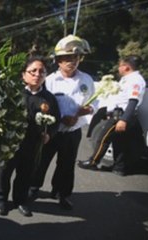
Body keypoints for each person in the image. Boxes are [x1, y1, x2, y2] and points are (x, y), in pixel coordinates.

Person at [29, 35, 96, 210]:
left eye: (75, 58)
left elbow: (94, 102)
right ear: (58, 61)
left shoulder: (87, 80)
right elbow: (41, 104)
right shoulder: (49, 80)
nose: (71, 62)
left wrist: (87, 110)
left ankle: (62, 194)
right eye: (67, 58)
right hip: (51, 131)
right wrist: (59, 118)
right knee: (41, 161)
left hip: (73, 132)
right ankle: (33, 189)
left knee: (66, 165)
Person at [0, 56, 60, 217]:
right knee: (4, 172)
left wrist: (49, 134)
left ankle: (20, 200)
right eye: (33, 71)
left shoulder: (49, 98)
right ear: (24, 75)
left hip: (33, 144)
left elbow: (56, 120)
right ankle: (1, 199)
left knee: (26, 174)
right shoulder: (12, 93)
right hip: (10, 142)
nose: (37, 74)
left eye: (42, 71)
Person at [78, 55, 146, 176]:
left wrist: (124, 119)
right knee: (119, 142)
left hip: (121, 116)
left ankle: (93, 162)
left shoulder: (135, 80)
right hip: (119, 115)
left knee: (103, 139)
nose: (118, 68)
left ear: (126, 67)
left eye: (120, 65)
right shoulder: (128, 79)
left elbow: (133, 101)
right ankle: (119, 167)